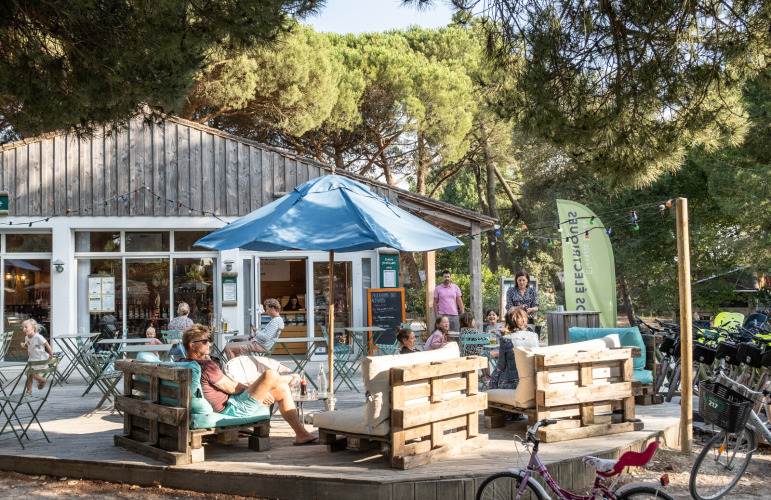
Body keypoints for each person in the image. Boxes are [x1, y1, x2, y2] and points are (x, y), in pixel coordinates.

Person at [180, 324, 318, 445]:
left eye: (208, 340)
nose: (209, 344)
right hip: (231, 408)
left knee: (282, 389)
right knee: (271, 374)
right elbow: (232, 388)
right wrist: (257, 390)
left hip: (225, 404)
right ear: (192, 345)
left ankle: (301, 434)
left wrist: (258, 389)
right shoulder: (206, 365)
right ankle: (292, 377)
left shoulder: (182, 362)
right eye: (204, 341)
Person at [491, 308, 539, 390]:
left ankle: (490, 393)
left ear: (508, 323)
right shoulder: (534, 336)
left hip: (513, 383)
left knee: (496, 371)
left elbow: (501, 367)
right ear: (524, 320)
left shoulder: (506, 339)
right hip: (532, 381)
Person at [20, 319, 53, 394]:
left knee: (31, 373)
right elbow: (29, 346)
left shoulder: (38, 337)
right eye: (22, 327)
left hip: (40, 359)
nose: (24, 329)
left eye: (26, 327)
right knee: (29, 375)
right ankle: (29, 390)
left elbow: (46, 344)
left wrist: (51, 354)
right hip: (32, 359)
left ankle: (42, 380)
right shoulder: (27, 338)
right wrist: (24, 346)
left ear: (33, 327)